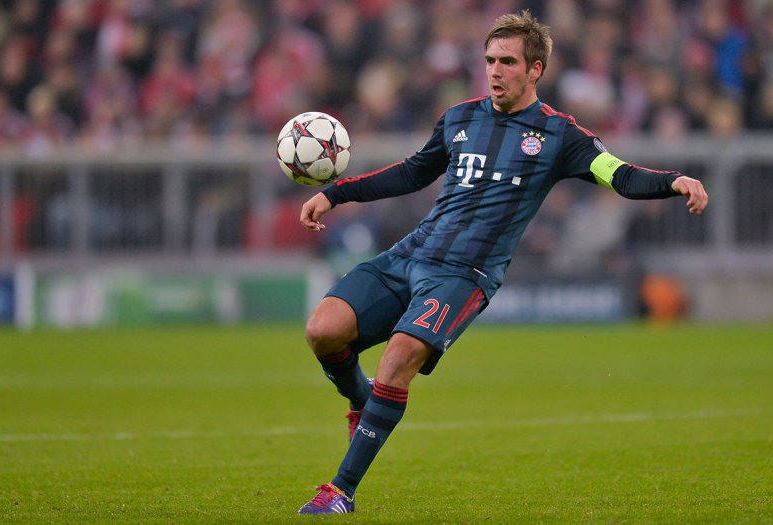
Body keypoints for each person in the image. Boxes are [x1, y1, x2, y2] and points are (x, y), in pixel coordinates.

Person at [296, 10, 708, 515]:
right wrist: (335, 194)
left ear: (535, 70)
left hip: (464, 275)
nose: (494, 70)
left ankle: (340, 491)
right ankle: (362, 402)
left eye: (507, 61)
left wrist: (673, 181)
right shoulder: (459, 118)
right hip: (411, 254)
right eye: (489, 60)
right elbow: (409, 174)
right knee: (323, 330)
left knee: (400, 355)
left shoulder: (560, 136)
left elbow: (618, 175)